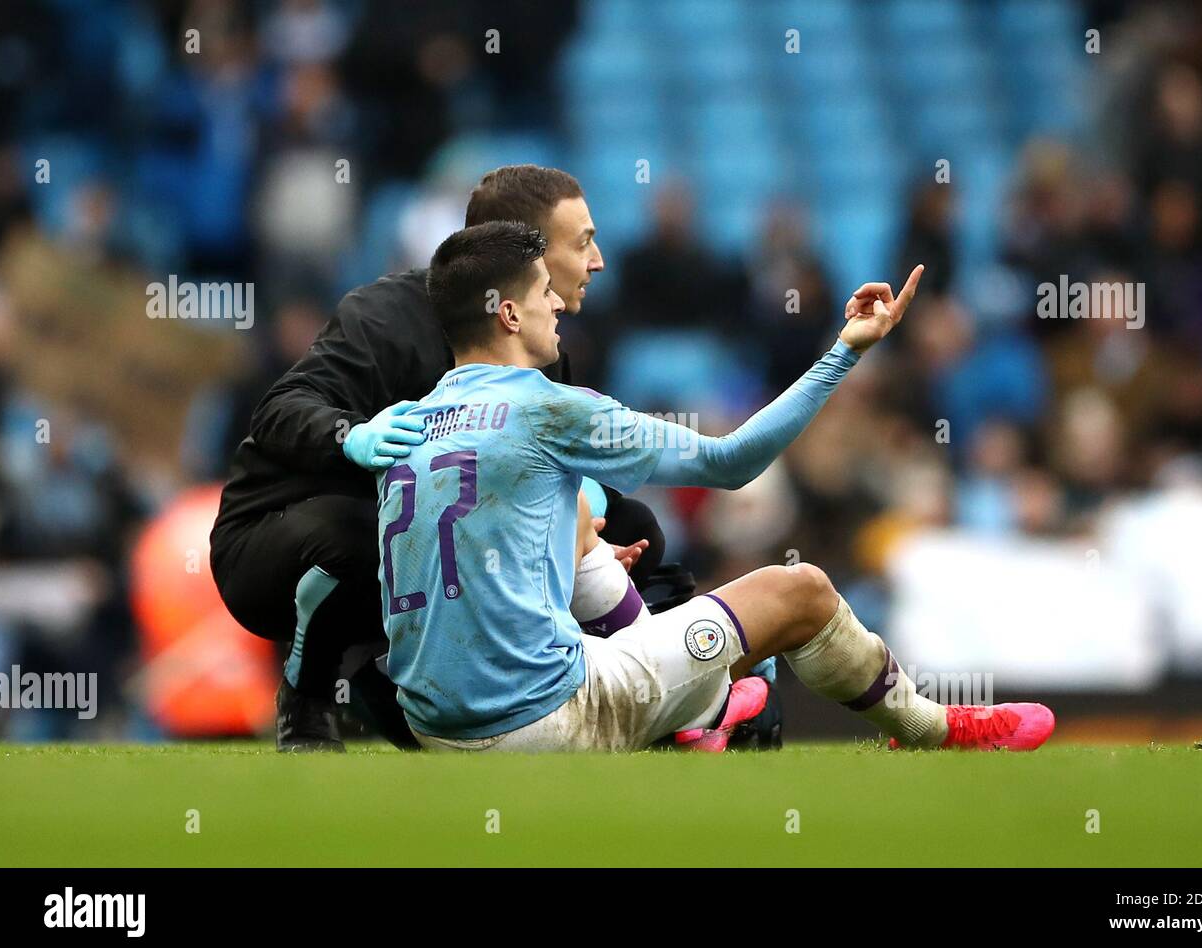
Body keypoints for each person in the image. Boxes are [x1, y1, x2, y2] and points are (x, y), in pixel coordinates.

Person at [382, 221, 1056, 753]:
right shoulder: (550, 408)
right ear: (506, 313)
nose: (557, 300)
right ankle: (932, 726)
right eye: (541, 290)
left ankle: (705, 709)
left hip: (434, 727)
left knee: (590, 543)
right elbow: (733, 460)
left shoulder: (408, 422)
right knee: (800, 591)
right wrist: (845, 350)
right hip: (540, 722)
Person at [210, 166, 675, 751]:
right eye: (581, 242)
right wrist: (349, 434)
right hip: (276, 543)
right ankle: (306, 696)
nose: (598, 260)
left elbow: (553, 480)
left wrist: (590, 529)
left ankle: (405, 696)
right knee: (361, 532)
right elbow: (280, 408)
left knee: (635, 529)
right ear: (521, 250)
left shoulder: (538, 341)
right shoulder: (383, 316)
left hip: (425, 553)